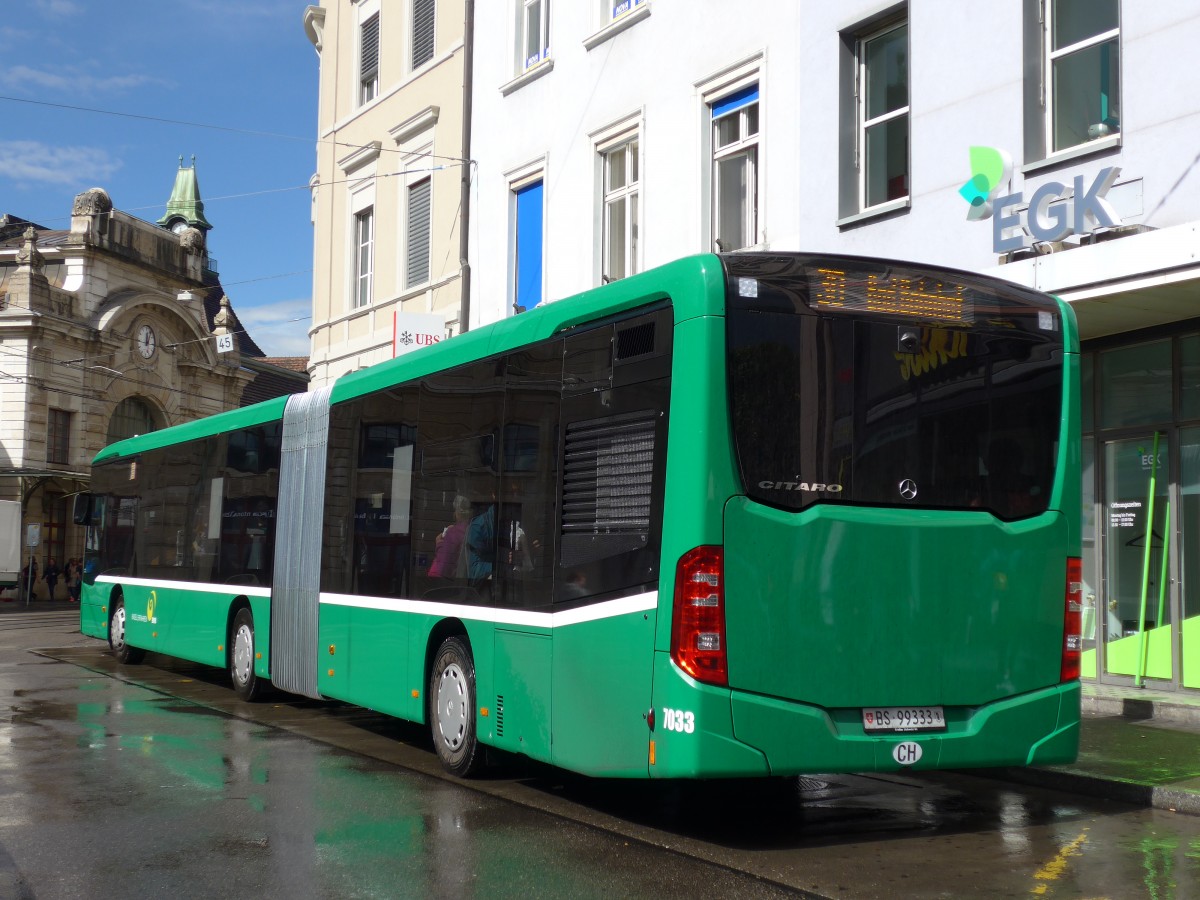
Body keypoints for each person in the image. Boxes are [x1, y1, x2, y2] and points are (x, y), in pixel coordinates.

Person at [428, 496, 470, 579]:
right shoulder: (472, 528)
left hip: (450, 581)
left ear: (457, 513)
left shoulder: (453, 533)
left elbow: (443, 568)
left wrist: (439, 544)